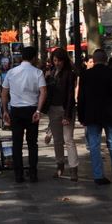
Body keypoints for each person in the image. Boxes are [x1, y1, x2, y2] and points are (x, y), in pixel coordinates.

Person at [77, 49, 112, 185]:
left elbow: (81, 97)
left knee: (94, 145)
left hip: (92, 114)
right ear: (105, 59)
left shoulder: (86, 75)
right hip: (111, 114)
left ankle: (98, 176)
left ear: (94, 59)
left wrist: (81, 115)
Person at [0, 45, 47, 183]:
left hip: (16, 110)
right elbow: (43, 92)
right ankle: (33, 173)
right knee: (32, 143)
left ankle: (18, 174)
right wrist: (38, 110)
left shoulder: (11, 72)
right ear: (34, 58)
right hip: (32, 110)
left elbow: (4, 94)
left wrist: (5, 110)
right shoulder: (38, 72)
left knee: (17, 143)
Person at [45, 49, 80, 180]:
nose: (57, 63)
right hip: (53, 109)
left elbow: (71, 95)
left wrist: (67, 115)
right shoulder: (51, 73)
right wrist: (47, 79)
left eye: (59, 60)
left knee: (69, 139)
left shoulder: (70, 74)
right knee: (58, 140)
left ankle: (73, 168)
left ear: (64, 61)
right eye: (55, 60)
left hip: (66, 109)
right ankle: (60, 165)